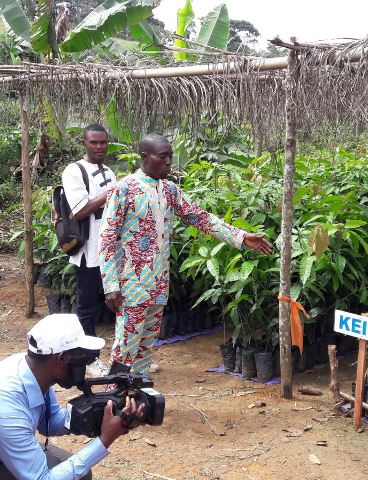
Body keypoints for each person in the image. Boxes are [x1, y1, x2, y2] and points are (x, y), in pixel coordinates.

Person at [98, 134, 273, 375]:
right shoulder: (124, 189)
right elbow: (106, 239)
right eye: (163, 156)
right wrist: (110, 284)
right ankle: (115, 400)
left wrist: (241, 237)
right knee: (126, 348)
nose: (170, 161)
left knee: (146, 350)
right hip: (131, 287)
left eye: (170, 156)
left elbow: (200, 218)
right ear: (145, 157)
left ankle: (137, 400)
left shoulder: (170, 190)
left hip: (158, 284)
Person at [0, 314, 144, 479]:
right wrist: (105, 439)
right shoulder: (7, 405)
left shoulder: (33, 371)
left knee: (80, 475)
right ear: (61, 358)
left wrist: (102, 411)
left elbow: (50, 423)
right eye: (82, 358)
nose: (84, 365)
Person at [61, 124, 116, 376]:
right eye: (94, 142)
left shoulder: (109, 172)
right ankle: (90, 358)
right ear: (84, 143)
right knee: (87, 306)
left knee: (118, 302)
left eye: (103, 142)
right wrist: (112, 192)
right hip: (89, 252)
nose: (99, 147)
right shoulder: (74, 171)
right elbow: (80, 210)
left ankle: (124, 357)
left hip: (112, 251)